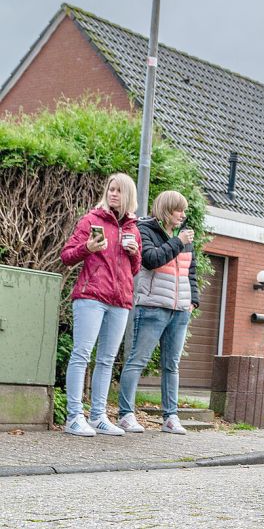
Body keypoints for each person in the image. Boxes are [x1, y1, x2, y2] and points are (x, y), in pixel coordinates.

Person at [59, 173, 141, 437]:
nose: (113, 194)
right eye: (110, 189)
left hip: (121, 301)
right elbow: (67, 256)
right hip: (91, 297)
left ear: (128, 195)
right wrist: (88, 247)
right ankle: (73, 417)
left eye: (118, 190)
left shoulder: (133, 229)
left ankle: (98, 416)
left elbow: (135, 269)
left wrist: (134, 253)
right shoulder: (91, 220)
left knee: (106, 360)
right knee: (81, 354)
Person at [117, 191, 199, 435]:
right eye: (179, 210)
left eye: (184, 211)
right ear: (166, 210)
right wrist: (178, 242)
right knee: (137, 360)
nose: (183, 215)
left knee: (171, 365)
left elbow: (190, 272)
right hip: (152, 306)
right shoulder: (145, 230)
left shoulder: (184, 238)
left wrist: (193, 300)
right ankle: (125, 414)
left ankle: (170, 417)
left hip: (180, 310)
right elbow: (151, 259)